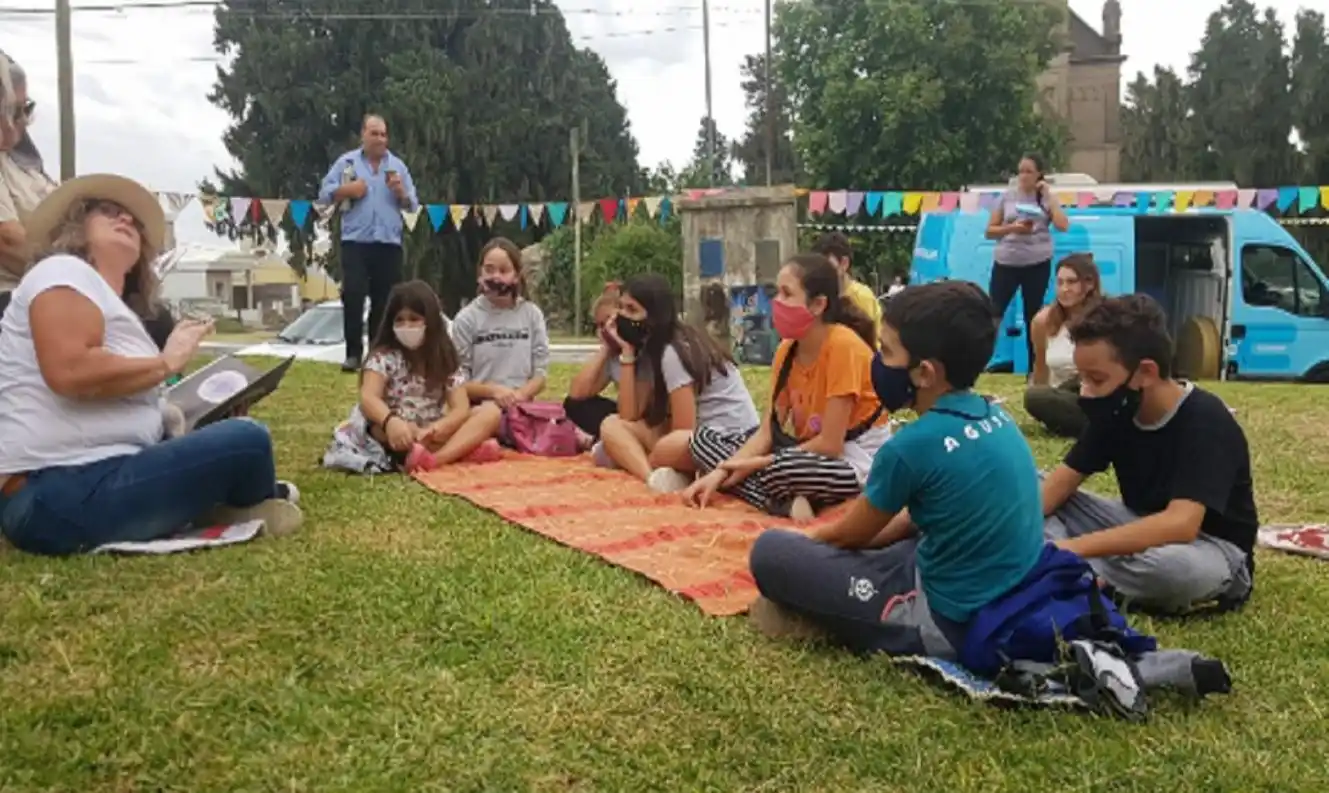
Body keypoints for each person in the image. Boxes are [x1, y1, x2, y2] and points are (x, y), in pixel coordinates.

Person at [0, 174, 302, 556]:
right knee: (248, 440)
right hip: (56, 490)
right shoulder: (63, 271)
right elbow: (70, 371)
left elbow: (119, 411)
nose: (126, 219)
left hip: (84, 483)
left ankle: (225, 500)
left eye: (133, 220)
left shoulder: (113, 306)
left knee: (235, 437)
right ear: (75, 227)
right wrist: (165, 363)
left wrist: (201, 418)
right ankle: (235, 500)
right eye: (107, 211)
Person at [744, 280, 1044, 658]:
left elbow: (849, 536)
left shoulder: (909, 447)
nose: (877, 362)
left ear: (925, 373)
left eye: (885, 351)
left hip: (944, 620)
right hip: (1002, 589)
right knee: (888, 547)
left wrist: (809, 544)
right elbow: (906, 521)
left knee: (771, 551)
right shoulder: (996, 416)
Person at [1041, 294, 1257, 614]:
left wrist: (1069, 548)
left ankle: (1058, 567)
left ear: (1145, 372)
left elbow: (1181, 524)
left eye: (1096, 379)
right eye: (1081, 378)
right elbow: (1058, 485)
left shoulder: (1206, 419)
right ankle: (1076, 573)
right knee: (1030, 486)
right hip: (1137, 524)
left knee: (1173, 572)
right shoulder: (1116, 411)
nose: (1085, 391)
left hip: (1209, 548)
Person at [681, 253, 889, 520]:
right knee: (702, 442)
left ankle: (766, 495)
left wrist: (759, 463)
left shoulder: (843, 347)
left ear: (818, 305)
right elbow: (767, 432)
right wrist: (722, 471)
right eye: (777, 292)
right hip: (803, 451)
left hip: (852, 458)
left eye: (787, 294)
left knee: (783, 468)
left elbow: (830, 444)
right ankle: (786, 502)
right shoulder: (786, 351)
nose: (776, 302)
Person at [595, 273, 759, 491]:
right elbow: (629, 415)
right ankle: (653, 478)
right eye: (621, 308)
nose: (622, 316)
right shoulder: (651, 348)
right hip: (699, 436)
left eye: (632, 310)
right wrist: (627, 353)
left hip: (729, 441)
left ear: (654, 316)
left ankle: (661, 474)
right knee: (611, 426)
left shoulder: (673, 352)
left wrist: (643, 449)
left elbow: (682, 431)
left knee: (651, 449)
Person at [357, 280, 504, 472]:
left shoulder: (444, 359)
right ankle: (460, 450)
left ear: (430, 321)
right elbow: (368, 397)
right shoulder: (383, 358)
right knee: (380, 430)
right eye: (399, 320)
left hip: (433, 429)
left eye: (414, 319)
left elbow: (460, 407)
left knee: (490, 412)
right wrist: (390, 421)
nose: (406, 326)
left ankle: (434, 459)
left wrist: (438, 428)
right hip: (396, 429)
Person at [317, 114, 419, 372]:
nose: (380, 139)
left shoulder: (397, 166)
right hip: (355, 242)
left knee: (384, 301)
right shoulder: (347, 163)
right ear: (363, 135)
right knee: (353, 295)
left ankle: (377, 354)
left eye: (384, 134)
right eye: (374, 133)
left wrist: (400, 192)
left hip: (389, 243)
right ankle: (353, 354)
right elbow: (324, 194)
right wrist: (348, 191)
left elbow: (412, 205)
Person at [450, 238, 552, 439]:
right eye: (489, 270)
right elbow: (458, 382)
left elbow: (540, 374)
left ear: (516, 276)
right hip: (482, 409)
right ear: (479, 274)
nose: (496, 276)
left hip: (523, 409)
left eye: (504, 271)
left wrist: (519, 396)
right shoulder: (466, 319)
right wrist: (493, 392)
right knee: (490, 417)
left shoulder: (532, 314)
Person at [985, 153, 1070, 366]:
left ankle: (1035, 367)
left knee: (1034, 315)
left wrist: (1049, 197)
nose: (1023, 176)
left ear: (1039, 174)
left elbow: (1062, 226)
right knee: (993, 313)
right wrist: (1012, 228)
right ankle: (982, 359)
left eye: (1029, 172)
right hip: (1006, 263)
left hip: (1037, 263)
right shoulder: (1006, 197)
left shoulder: (1046, 198)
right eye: (1020, 171)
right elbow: (990, 231)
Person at [0, 52, 57, 322]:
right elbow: (7, 241)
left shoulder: (28, 166)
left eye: (25, 109)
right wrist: (85, 277)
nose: (20, 121)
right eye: (13, 110)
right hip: (13, 300)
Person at [1023, 253, 1101, 437]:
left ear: (1089, 284)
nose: (1064, 289)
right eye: (1059, 283)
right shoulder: (1043, 321)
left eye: (1071, 282)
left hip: (1098, 394)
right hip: (1066, 395)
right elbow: (1040, 368)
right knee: (1035, 397)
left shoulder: (1104, 318)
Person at [812, 232, 881, 347]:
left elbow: (872, 342)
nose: (822, 273)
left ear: (844, 263)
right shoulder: (819, 295)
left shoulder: (861, 297)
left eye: (828, 266)